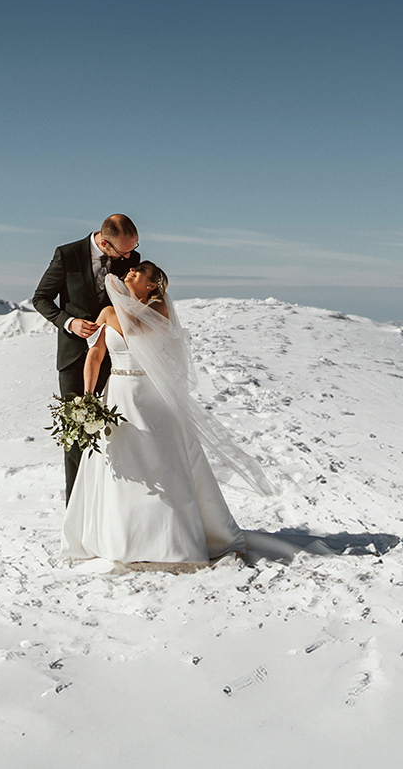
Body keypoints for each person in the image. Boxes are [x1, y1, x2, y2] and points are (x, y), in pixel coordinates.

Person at [60, 263, 277, 570]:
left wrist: (120, 300)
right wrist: (87, 397)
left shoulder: (158, 308)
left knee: (159, 460)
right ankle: (121, 538)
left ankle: (169, 540)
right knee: (120, 463)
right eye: (131, 271)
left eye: (140, 273)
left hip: (151, 395)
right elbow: (94, 356)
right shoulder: (109, 312)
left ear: (152, 285)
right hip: (118, 392)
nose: (131, 272)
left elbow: (135, 331)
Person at [31, 215, 141, 500]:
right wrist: (69, 322)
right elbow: (41, 298)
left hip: (115, 361)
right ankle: (76, 514)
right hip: (74, 358)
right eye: (123, 252)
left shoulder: (130, 257)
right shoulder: (67, 255)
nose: (131, 256)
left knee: (115, 438)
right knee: (77, 438)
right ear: (104, 242)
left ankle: (110, 509)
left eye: (134, 248)